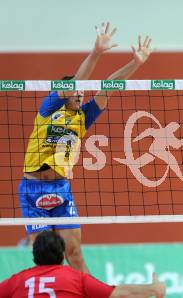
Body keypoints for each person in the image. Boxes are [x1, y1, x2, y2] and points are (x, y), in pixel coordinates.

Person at [19, 22, 153, 273]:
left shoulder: (83, 116)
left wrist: (136, 63)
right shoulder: (49, 109)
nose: (80, 94)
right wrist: (97, 52)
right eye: (76, 90)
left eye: (82, 92)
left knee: (75, 254)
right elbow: (77, 80)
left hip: (61, 189)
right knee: (45, 259)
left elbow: (109, 87)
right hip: (32, 190)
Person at [0, 231, 166, 298]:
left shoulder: (17, 281)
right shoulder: (76, 278)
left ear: (34, 256)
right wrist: (153, 289)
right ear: (62, 255)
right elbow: (118, 293)